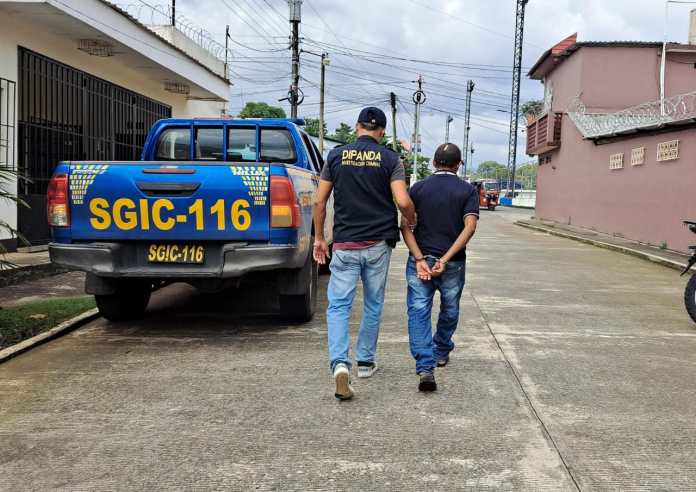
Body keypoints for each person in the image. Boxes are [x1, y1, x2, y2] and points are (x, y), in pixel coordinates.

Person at [313, 107, 416, 400]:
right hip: (377, 244)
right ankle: (366, 362)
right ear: (381, 132)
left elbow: (320, 202)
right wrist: (410, 217)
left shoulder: (335, 156)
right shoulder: (391, 159)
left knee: (338, 306)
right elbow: (402, 199)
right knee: (373, 302)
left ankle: (339, 365)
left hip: (345, 243)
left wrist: (320, 238)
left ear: (357, 128)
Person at [400, 143, 479, 392]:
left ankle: (425, 367)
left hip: (420, 261)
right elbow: (470, 227)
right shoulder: (467, 191)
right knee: (450, 308)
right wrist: (445, 259)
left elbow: (405, 226)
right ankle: (441, 350)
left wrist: (420, 258)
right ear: (458, 165)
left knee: (418, 310)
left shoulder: (419, 188)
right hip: (452, 264)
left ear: (434, 163)